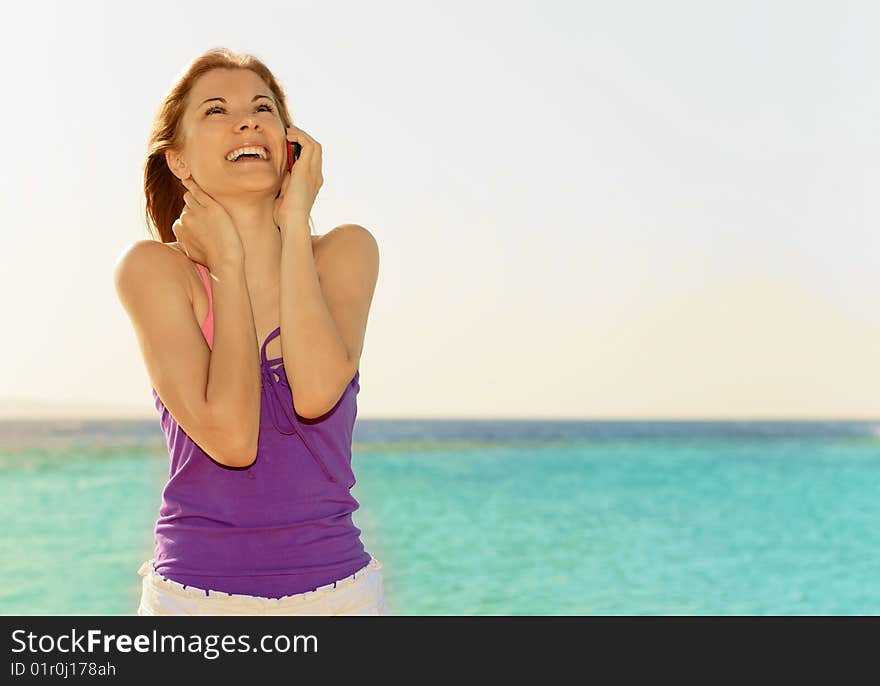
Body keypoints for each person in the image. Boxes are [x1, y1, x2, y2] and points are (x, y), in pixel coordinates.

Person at [113, 48, 385, 615]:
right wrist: (228, 271)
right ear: (179, 161)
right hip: (194, 601)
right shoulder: (154, 271)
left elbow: (314, 393)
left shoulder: (346, 253)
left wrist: (293, 217)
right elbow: (233, 440)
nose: (247, 119)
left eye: (263, 107)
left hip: (340, 597)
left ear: (290, 144)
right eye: (216, 110)